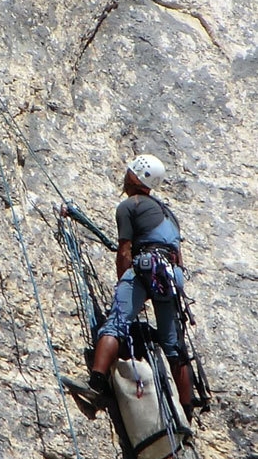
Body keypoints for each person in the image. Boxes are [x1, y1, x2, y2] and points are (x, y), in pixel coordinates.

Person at [65, 154, 194, 421]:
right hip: (171, 276)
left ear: (136, 176)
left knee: (116, 323)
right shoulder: (169, 215)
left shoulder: (130, 205)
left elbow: (124, 249)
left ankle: (96, 385)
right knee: (173, 345)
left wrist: (125, 280)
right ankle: (187, 410)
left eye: (129, 172)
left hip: (146, 267)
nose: (125, 175)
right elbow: (178, 258)